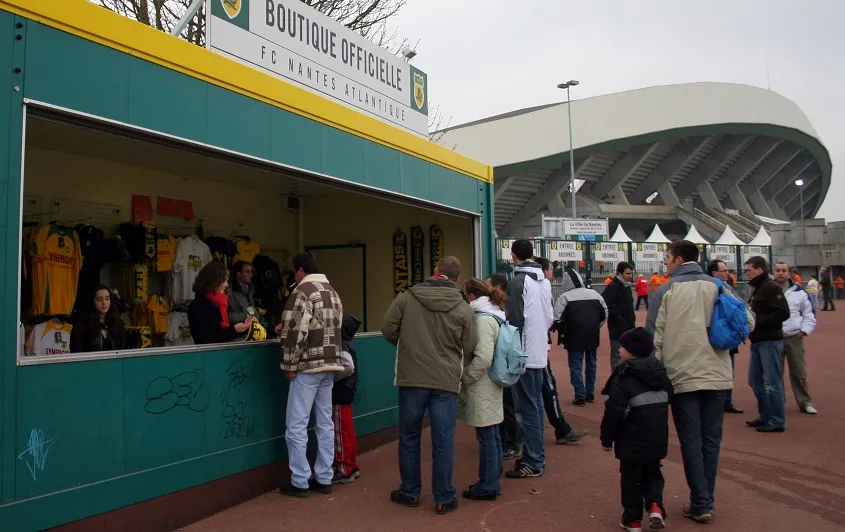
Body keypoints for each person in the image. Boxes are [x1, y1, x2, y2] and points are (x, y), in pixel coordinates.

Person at [646, 240, 738, 524]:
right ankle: (704, 499)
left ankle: (701, 501)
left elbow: (653, 336)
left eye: (668, 258)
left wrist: (656, 372)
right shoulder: (719, 286)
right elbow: (746, 321)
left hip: (682, 374)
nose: (665, 262)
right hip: (717, 372)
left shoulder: (666, 290)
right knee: (712, 439)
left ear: (678, 259)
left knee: (691, 439)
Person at [382, 256, 476, 514]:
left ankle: (410, 492)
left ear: (435, 272)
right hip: (445, 381)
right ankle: (443, 497)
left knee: (409, 437)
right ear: (456, 279)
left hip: (412, 377)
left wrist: (410, 344)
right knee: (443, 440)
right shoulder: (463, 306)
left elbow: (388, 328)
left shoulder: (407, 296)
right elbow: (470, 346)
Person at [278, 252, 345, 498]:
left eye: (294, 271)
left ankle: (300, 480)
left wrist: (289, 365)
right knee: (324, 423)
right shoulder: (333, 292)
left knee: (296, 424)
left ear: (300, 271)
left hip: (307, 366)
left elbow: (295, 333)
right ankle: (325, 477)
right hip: (330, 364)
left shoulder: (302, 292)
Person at [600, 327, 672, 532]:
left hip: (631, 439)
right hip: (657, 437)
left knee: (631, 478)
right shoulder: (660, 373)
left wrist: (607, 438)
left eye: (623, 346)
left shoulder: (623, 377)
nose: (620, 349)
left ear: (632, 351)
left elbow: (613, 412)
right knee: (653, 473)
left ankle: (632, 519)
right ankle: (656, 506)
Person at [504, 240, 554, 479]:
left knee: (526, 409)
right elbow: (550, 316)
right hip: (538, 351)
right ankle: (534, 454)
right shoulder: (543, 281)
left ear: (514, 256)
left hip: (523, 353)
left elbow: (514, 321)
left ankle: (534, 460)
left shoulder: (518, 282)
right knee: (535, 406)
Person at [459, 279, 505, 501]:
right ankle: (492, 478)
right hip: (491, 382)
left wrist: (466, 378)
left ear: (472, 297)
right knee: (492, 433)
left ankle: (488, 484)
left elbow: (484, 357)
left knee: (487, 435)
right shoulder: (495, 314)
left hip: (482, 384)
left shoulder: (482, 320)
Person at [536, 258, 587, 445]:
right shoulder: (541, 289)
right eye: (550, 270)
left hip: (536, 347)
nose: (552, 273)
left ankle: (557, 428)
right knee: (548, 388)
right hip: (537, 349)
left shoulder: (538, 288)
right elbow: (549, 318)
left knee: (542, 390)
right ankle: (559, 429)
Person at [744, 256, 790, 433]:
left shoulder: (770, 287)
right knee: (755, 380)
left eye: (749, 269)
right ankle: (765, 415)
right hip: (759, 340)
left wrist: (758, 321)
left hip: (769, 340)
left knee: (772, 382)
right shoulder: (758, 288)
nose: (747, 272)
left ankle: (777, 420)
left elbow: (783, 313)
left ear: (759, 269)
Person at [706, 259, 756, 415]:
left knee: (728, 369)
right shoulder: (716, 288)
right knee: (720, 369)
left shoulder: (726, 287)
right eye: (724, 270)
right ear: (714, 273)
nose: (727, 273)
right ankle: (720, 401)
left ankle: (725, 401)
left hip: (724, 333)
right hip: (722, 332)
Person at [554, 267, 607, 406]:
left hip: (573, 336)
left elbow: (556, 318)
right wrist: (595, 327)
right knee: (592, 364)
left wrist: (564, 332)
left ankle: (580, 394)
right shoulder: (595, 294)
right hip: (592, 335)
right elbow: (604, 315)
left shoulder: (564, 297)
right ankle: (590, 392)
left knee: (576, 365)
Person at [773, 263, 818, 416]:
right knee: (774, 372)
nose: (780, 273)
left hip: (794, 337)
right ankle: (778, 403)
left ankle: (805, 402)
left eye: (783, 271)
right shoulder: (768, 290)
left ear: (789, 273)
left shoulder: (799, 292)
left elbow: (809, 314)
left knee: (799, 372)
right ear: (774, 272)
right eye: (777, 270)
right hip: (773, 337)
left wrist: (804, 331)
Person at [485, 273, 521, 460]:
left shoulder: (506, 307)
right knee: (503, 402)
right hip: (499, 359)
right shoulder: (494, 306)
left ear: (498, 287)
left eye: (488, 285)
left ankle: (512, 443)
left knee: (508, 402)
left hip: (504, 359)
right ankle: (506, 440)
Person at [187, 262, 255, 344]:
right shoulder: (198, 306)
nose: (226, 285)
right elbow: (206, 338)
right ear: (213, 281)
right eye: (223, 281)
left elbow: (224, 333)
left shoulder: (220, 302)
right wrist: (234, 329)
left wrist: (245, 325)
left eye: (227, 280)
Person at [332, 313, 363, 484]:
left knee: (340, 432)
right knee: (347, 431)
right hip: (346, 392)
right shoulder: (348, 344)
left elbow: (347, 367)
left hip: (340, 392)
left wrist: (332, 379)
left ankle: (344, 469)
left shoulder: (342, 345)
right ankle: (351, 465)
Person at [70, 285, 126, 352]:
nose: (104, 303)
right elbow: (77, 354)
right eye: (99, 299)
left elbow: (123, 352)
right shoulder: (82, 326)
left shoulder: (118, 323)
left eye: (107, 299)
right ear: (92, 301)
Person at [603, 262, 636, 370]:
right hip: (618, 328)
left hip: (628, 326)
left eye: (631, 273)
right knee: (617, 356)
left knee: (628, 355)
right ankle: (616, 380)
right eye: (627, 274)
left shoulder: (626, 286)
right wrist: (620, 320)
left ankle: (625, 379)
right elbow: (608, 305)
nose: (630, 276)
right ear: (619, 273)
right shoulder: (613, 287)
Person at [228, 260, 257, 325]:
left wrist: (255, 315)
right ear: (238, 274)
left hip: (247, 330)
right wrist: (247, 316)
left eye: (251, 272)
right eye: (248, 272)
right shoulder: (228, 291)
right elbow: (226, 317)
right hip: (234, 331)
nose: (251, 275)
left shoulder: (247, 290)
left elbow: (250, 308)